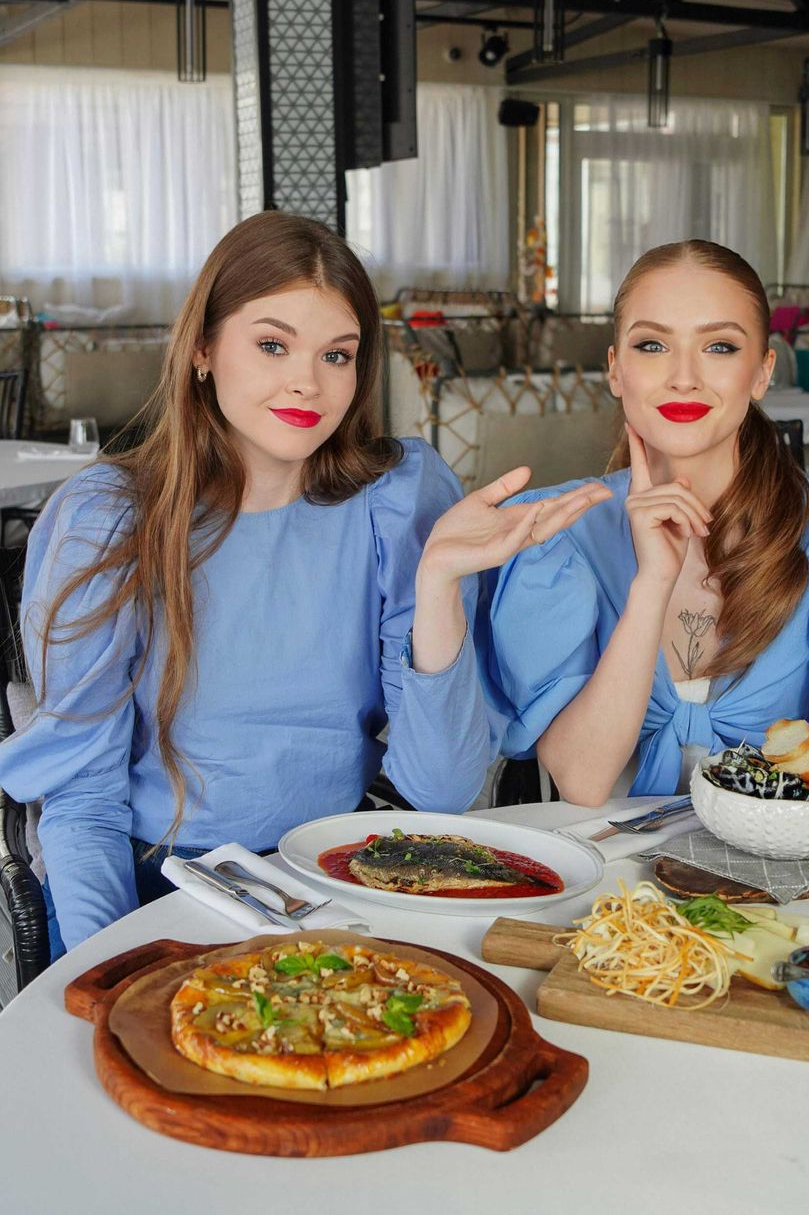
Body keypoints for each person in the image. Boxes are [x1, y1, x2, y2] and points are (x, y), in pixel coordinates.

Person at [0, 212, 608, 955]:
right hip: (156, 884)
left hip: (341, 874)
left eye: (337, 355)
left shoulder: (398, 500)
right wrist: (115, 969)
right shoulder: (109, 519)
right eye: (272, 344)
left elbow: (441, 791)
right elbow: (85, 804)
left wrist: (439, 583)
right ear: (202, 349)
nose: (307, 382)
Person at [488, 240, 809, 817]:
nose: (684, 378)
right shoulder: (557, 534)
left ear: (762, 372)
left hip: (779, 868)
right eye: (652, 345)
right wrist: (652, 584)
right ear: (616, 369)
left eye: (719, 346)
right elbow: (582, 780)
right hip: (605, 871)